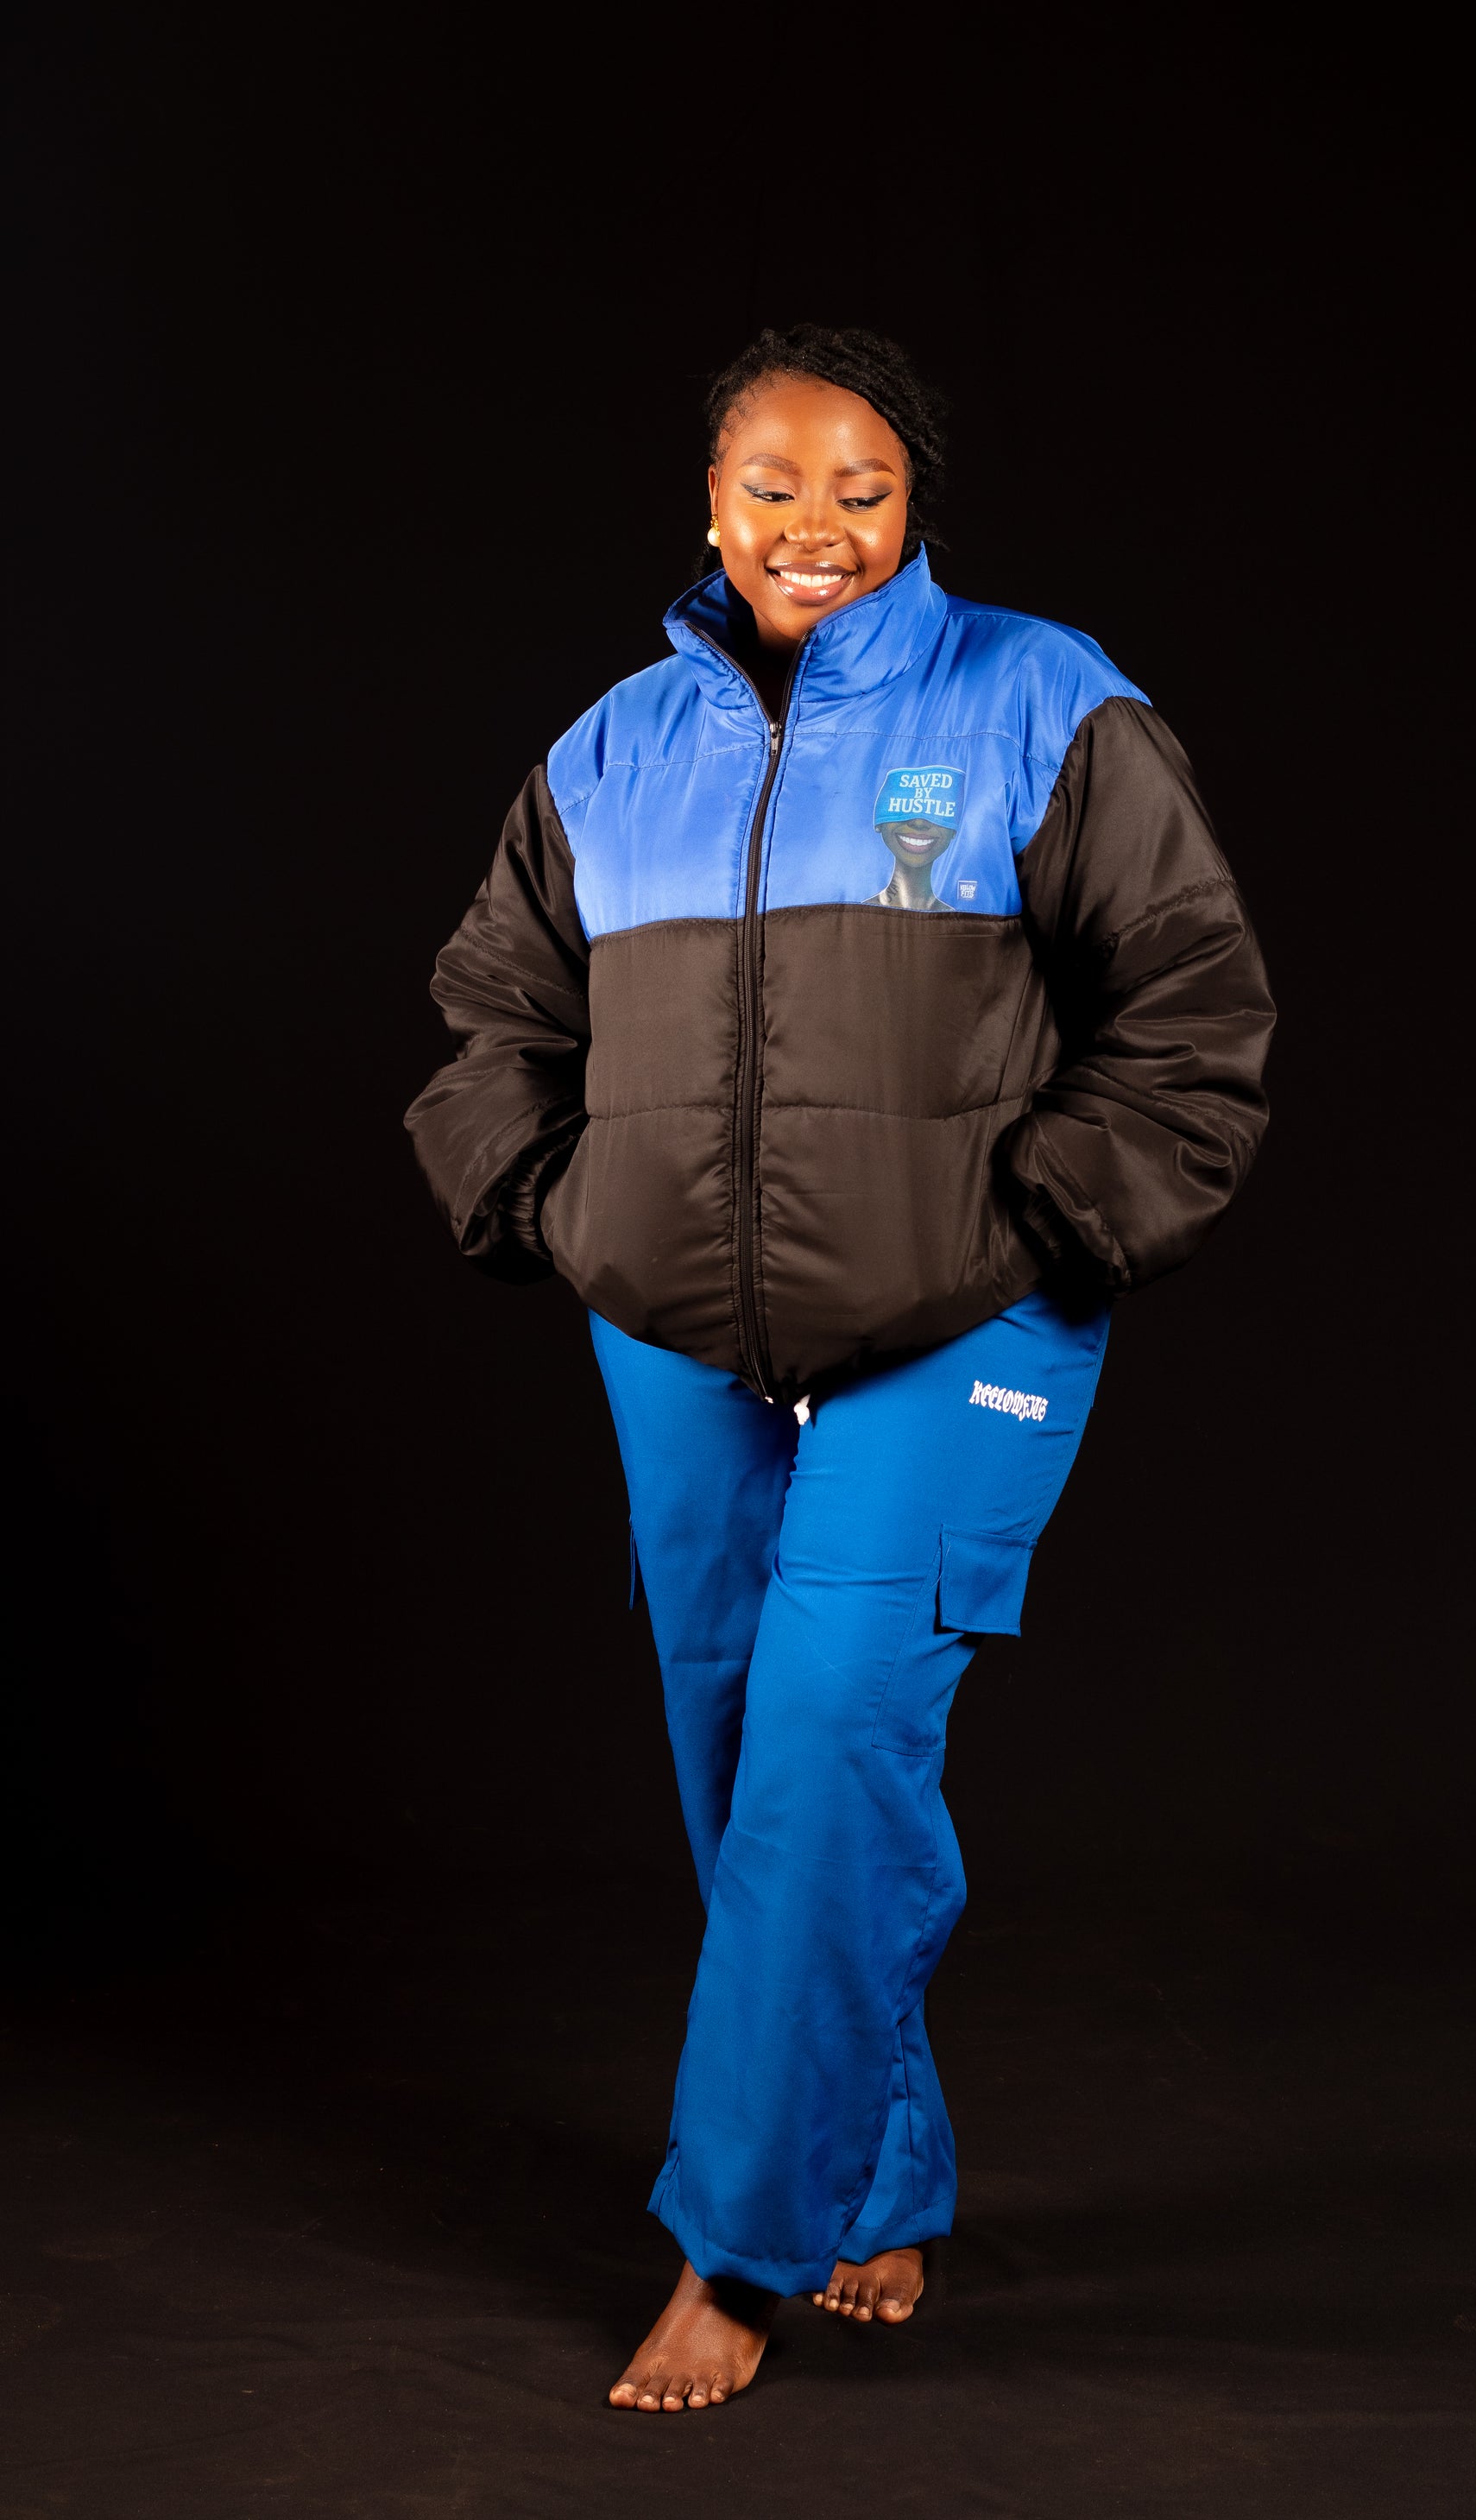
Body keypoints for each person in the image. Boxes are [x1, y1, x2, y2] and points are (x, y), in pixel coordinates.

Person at [404, 325, 1274, 2411]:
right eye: (774, 486)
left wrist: (1037, 1224)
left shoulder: (1042, 700)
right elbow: (494, 1013)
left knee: (826, 1727)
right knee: (736, 1739)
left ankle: (735, 2240)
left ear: (914, 506)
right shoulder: (612, 749)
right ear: (709, 507)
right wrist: (557, 1203)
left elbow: (1191, 1008)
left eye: (861, 489)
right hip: (674, 1325)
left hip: (962, 1313)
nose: (817, 526)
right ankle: (875, 2170)